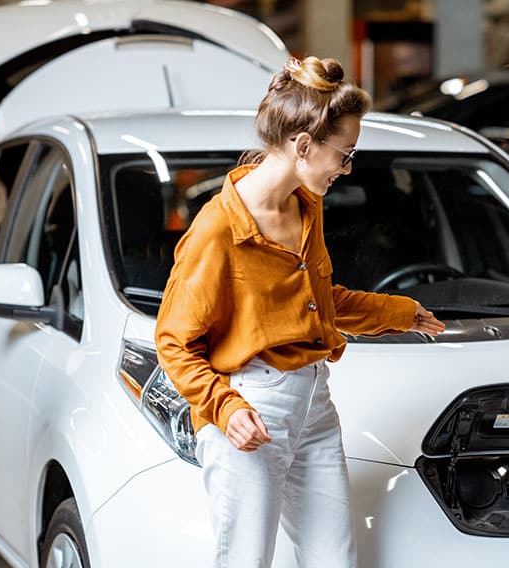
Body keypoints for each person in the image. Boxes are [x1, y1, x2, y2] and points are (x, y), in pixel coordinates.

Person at [155, 55, 445, 568]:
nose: (347, 168)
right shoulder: (218, 229)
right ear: (304, 145)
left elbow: (314, 302)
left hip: (313, 404)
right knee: (247, 559)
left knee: (334, 560)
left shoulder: (305, 205)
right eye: (345, 153)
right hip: (250, 407)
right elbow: (174, 342)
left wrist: (399, 312)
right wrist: (225, 407)